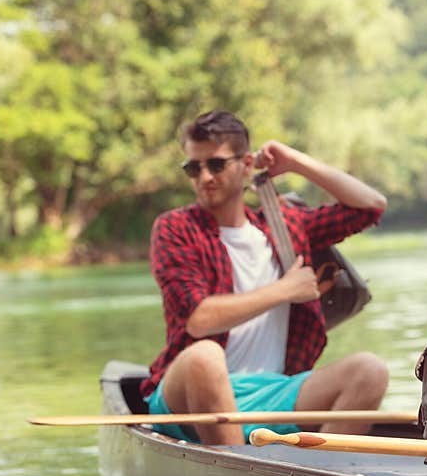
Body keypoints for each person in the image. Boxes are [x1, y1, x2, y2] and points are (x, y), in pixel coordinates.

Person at [142, 109, 389, 445]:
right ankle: (243, 472)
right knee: (205, 355)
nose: (204, 177)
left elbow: (370, 206)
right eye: (193, 168)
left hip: (273, 392)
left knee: (369, 370)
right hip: (189, 392)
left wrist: (294, 162)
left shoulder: (284, 226)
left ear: (246, 165)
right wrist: (283, 290)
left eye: (215, 164)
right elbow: (198, 320)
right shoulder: (176, 228)